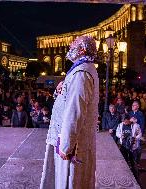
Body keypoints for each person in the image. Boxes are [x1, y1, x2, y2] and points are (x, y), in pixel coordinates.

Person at [41, 36, 99, 189]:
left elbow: (75, 111)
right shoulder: (80, 70)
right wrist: (60, 88)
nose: (70, 46)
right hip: (69, 138)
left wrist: (66, 146)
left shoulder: (81, 73)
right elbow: (69, 98)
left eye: (74, 44)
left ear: (83, 50)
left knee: (67, 181)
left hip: (71, 144)